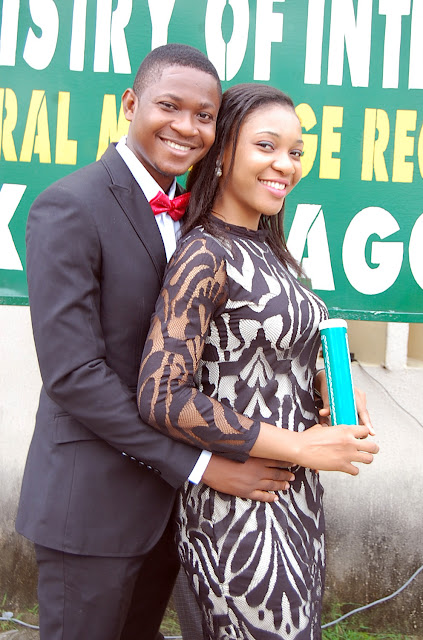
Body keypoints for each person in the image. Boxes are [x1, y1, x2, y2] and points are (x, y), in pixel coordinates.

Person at [15, 46, 298, 640]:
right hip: (91, 506)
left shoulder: (197, 218)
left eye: (204, 116)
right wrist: (200, 465)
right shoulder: (69, 206)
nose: (186, 127)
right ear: (130, 104)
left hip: (173, 514)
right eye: (169, 106)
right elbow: (74, 375)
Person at [137, 83, 379, 639]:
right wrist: (298, 445)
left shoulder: (268, 247)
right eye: (266, 146)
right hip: (235, 512)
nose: (285, 165)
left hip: (295, 501)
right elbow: (162, 395)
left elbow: (265, 356)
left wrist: (326, 388)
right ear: (223, 153)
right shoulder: (205, 252)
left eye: (295, 151)